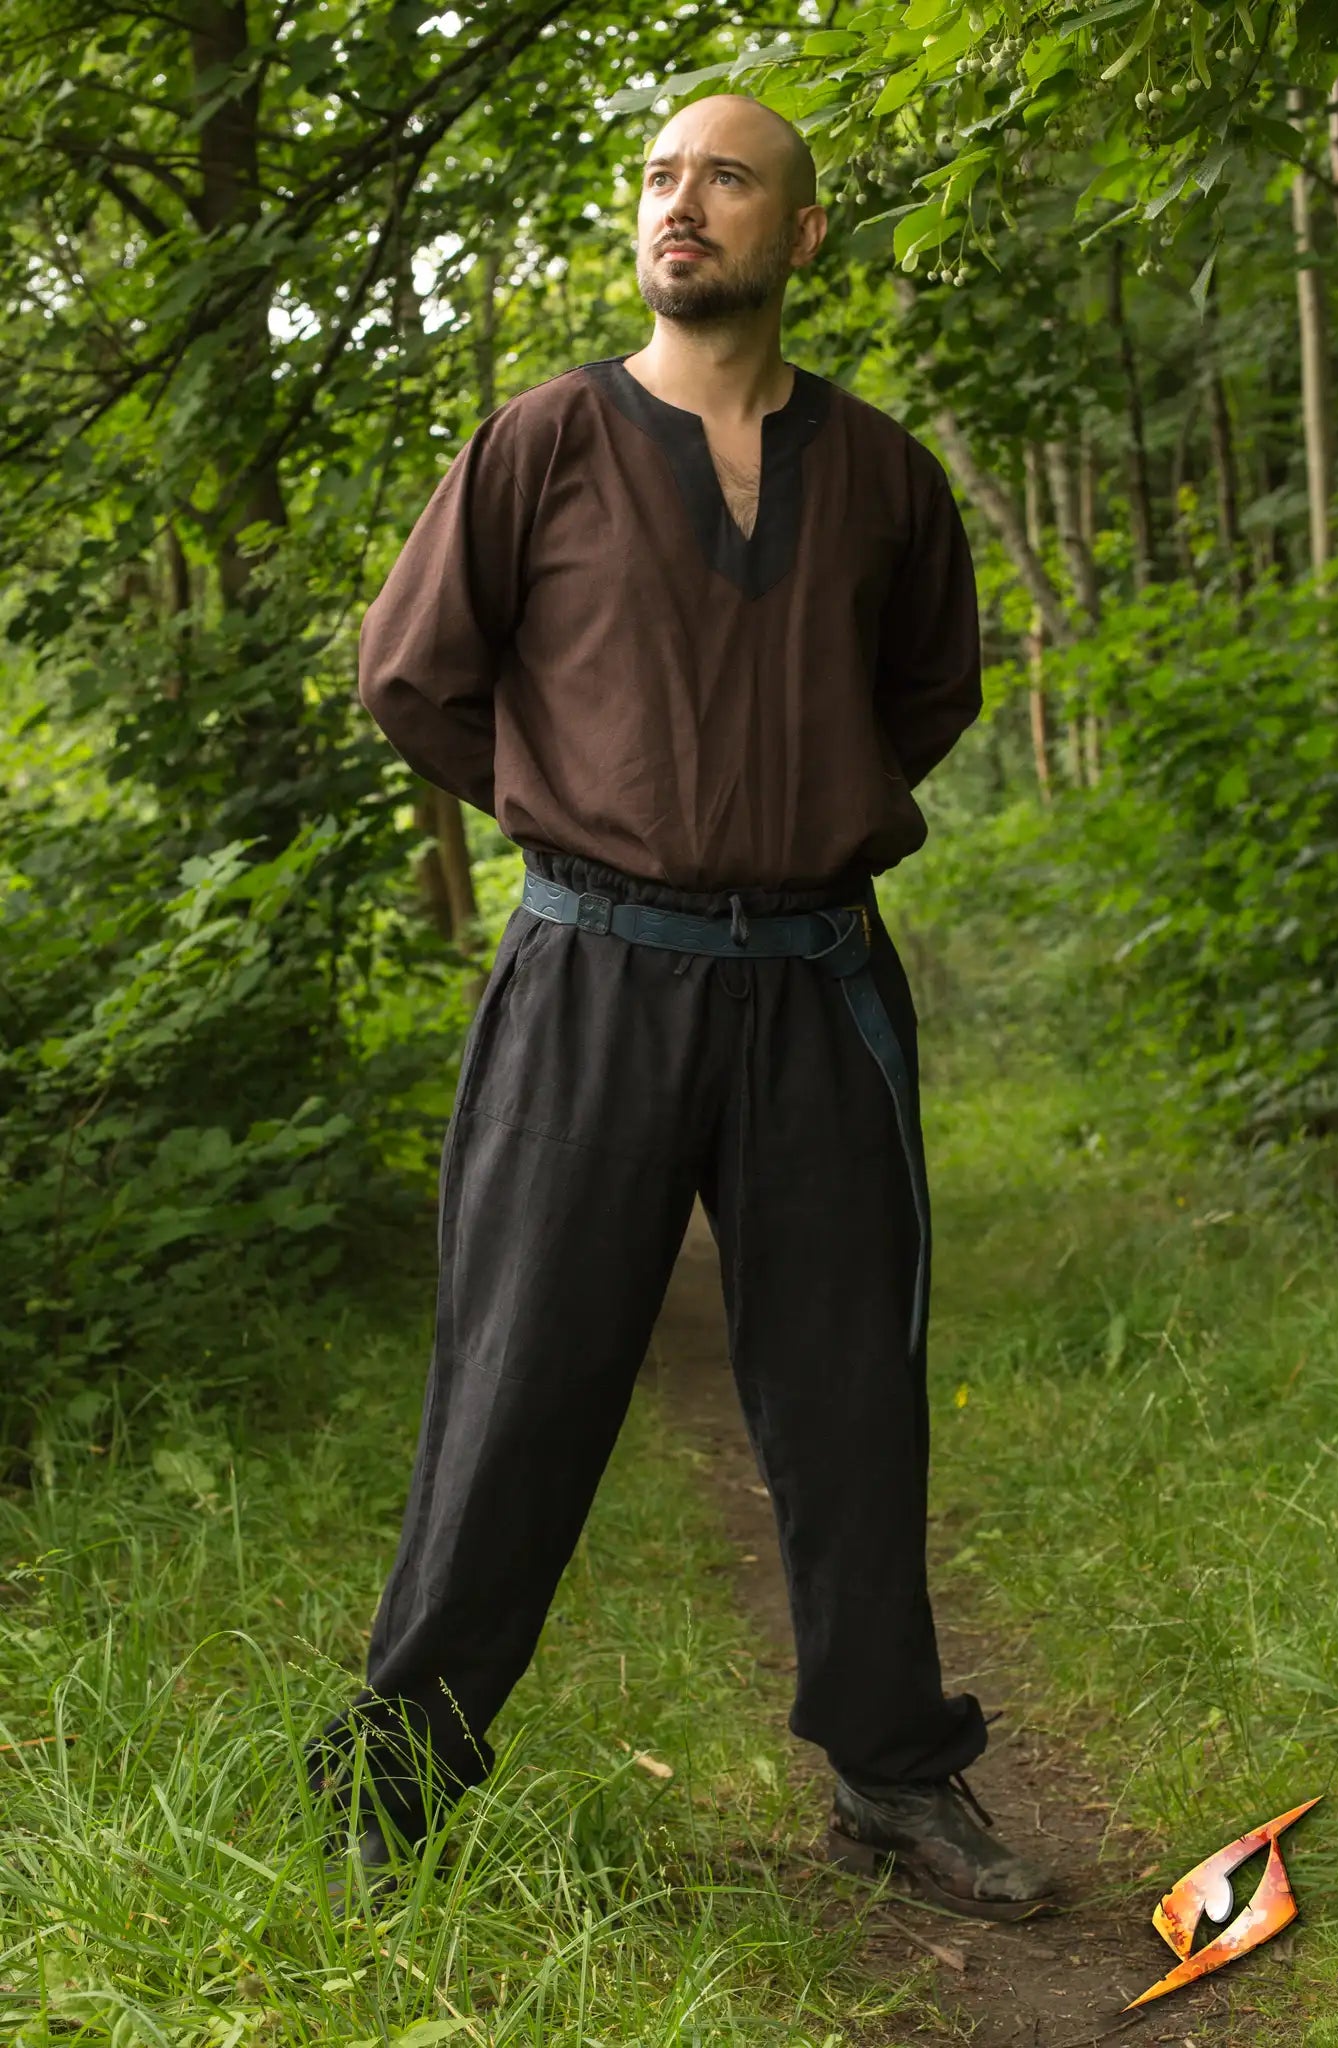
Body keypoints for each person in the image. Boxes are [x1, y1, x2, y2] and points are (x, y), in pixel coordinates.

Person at [304, 90, 1056, 1926]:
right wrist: (586, 807)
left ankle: (891, 1775)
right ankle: (393, 1788)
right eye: (658, 177)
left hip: (815, 989)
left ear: (798, 233)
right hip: (590, 977)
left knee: (847, 1396)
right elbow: (412, 678)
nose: (680, 203)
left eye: (725, 177)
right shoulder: (545, 440)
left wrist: (793, 810)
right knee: (516, 1382)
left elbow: (927, 690)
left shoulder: (880, 472)